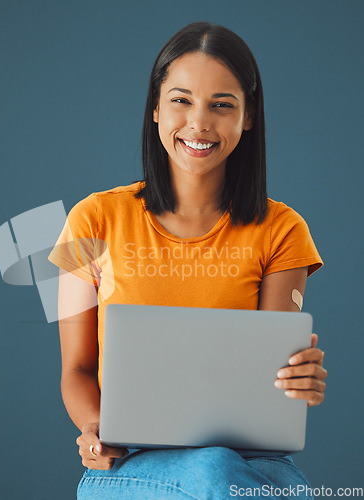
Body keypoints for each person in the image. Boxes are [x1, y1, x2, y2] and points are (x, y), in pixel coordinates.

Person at [48, 21, 327, 499]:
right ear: (155, 108)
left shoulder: (283, 230)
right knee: (214, 477)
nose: (199, 123)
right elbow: (75, 369)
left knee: (219, 472)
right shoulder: (90, 220)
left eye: (222, 105)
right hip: (133, 466)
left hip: (251, 467)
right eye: (181, 100)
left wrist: (299, 383)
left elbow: (268, 379)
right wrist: (95, 430)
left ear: (249, 116)